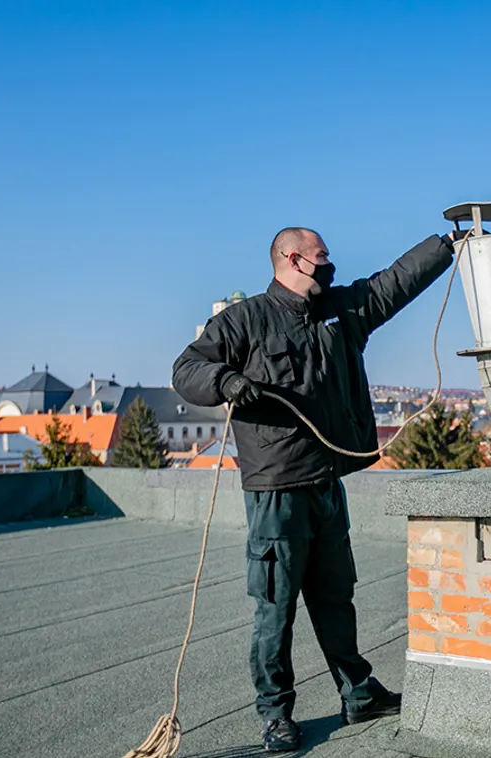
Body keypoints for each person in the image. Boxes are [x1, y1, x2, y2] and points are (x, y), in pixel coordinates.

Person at [171, 226, 455, 752]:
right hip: (276, 490)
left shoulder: (339, 313)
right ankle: (276, 715)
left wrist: (446, 245)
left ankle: (359, 694)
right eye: (323, 256)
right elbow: (187, 369)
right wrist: (228, 382)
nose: (330, 264)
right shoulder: (245, 319)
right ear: (294, 259)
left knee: (335, 597)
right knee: (275, 611)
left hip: (326, 481)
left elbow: (392, 283)